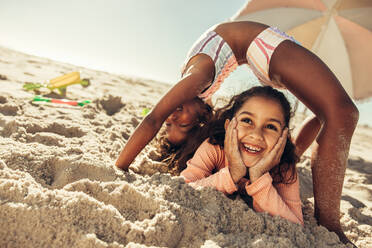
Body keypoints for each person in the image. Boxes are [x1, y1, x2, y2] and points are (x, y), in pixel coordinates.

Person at [115, 21, 358, 244]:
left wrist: (120, 167)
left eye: (170, 124)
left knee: (337, 115)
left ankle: (329, 223)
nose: (171, 116)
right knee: (340, 115)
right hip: (261, 50)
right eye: (181, 124)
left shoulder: (197, 78)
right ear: (200, 118)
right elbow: (154, 120)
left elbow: (153, 118)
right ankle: (328, 222)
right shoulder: (200, 82)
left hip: (259, 47)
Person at [181, 86, 303, 225]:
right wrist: (233, 173)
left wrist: (259, 177)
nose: (256, 135)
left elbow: (296, 223)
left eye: (270, 127)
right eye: (247, 120)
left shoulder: (284, 166)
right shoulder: (215, 147)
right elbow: (183, 189)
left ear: (283, 137)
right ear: (228, 126)